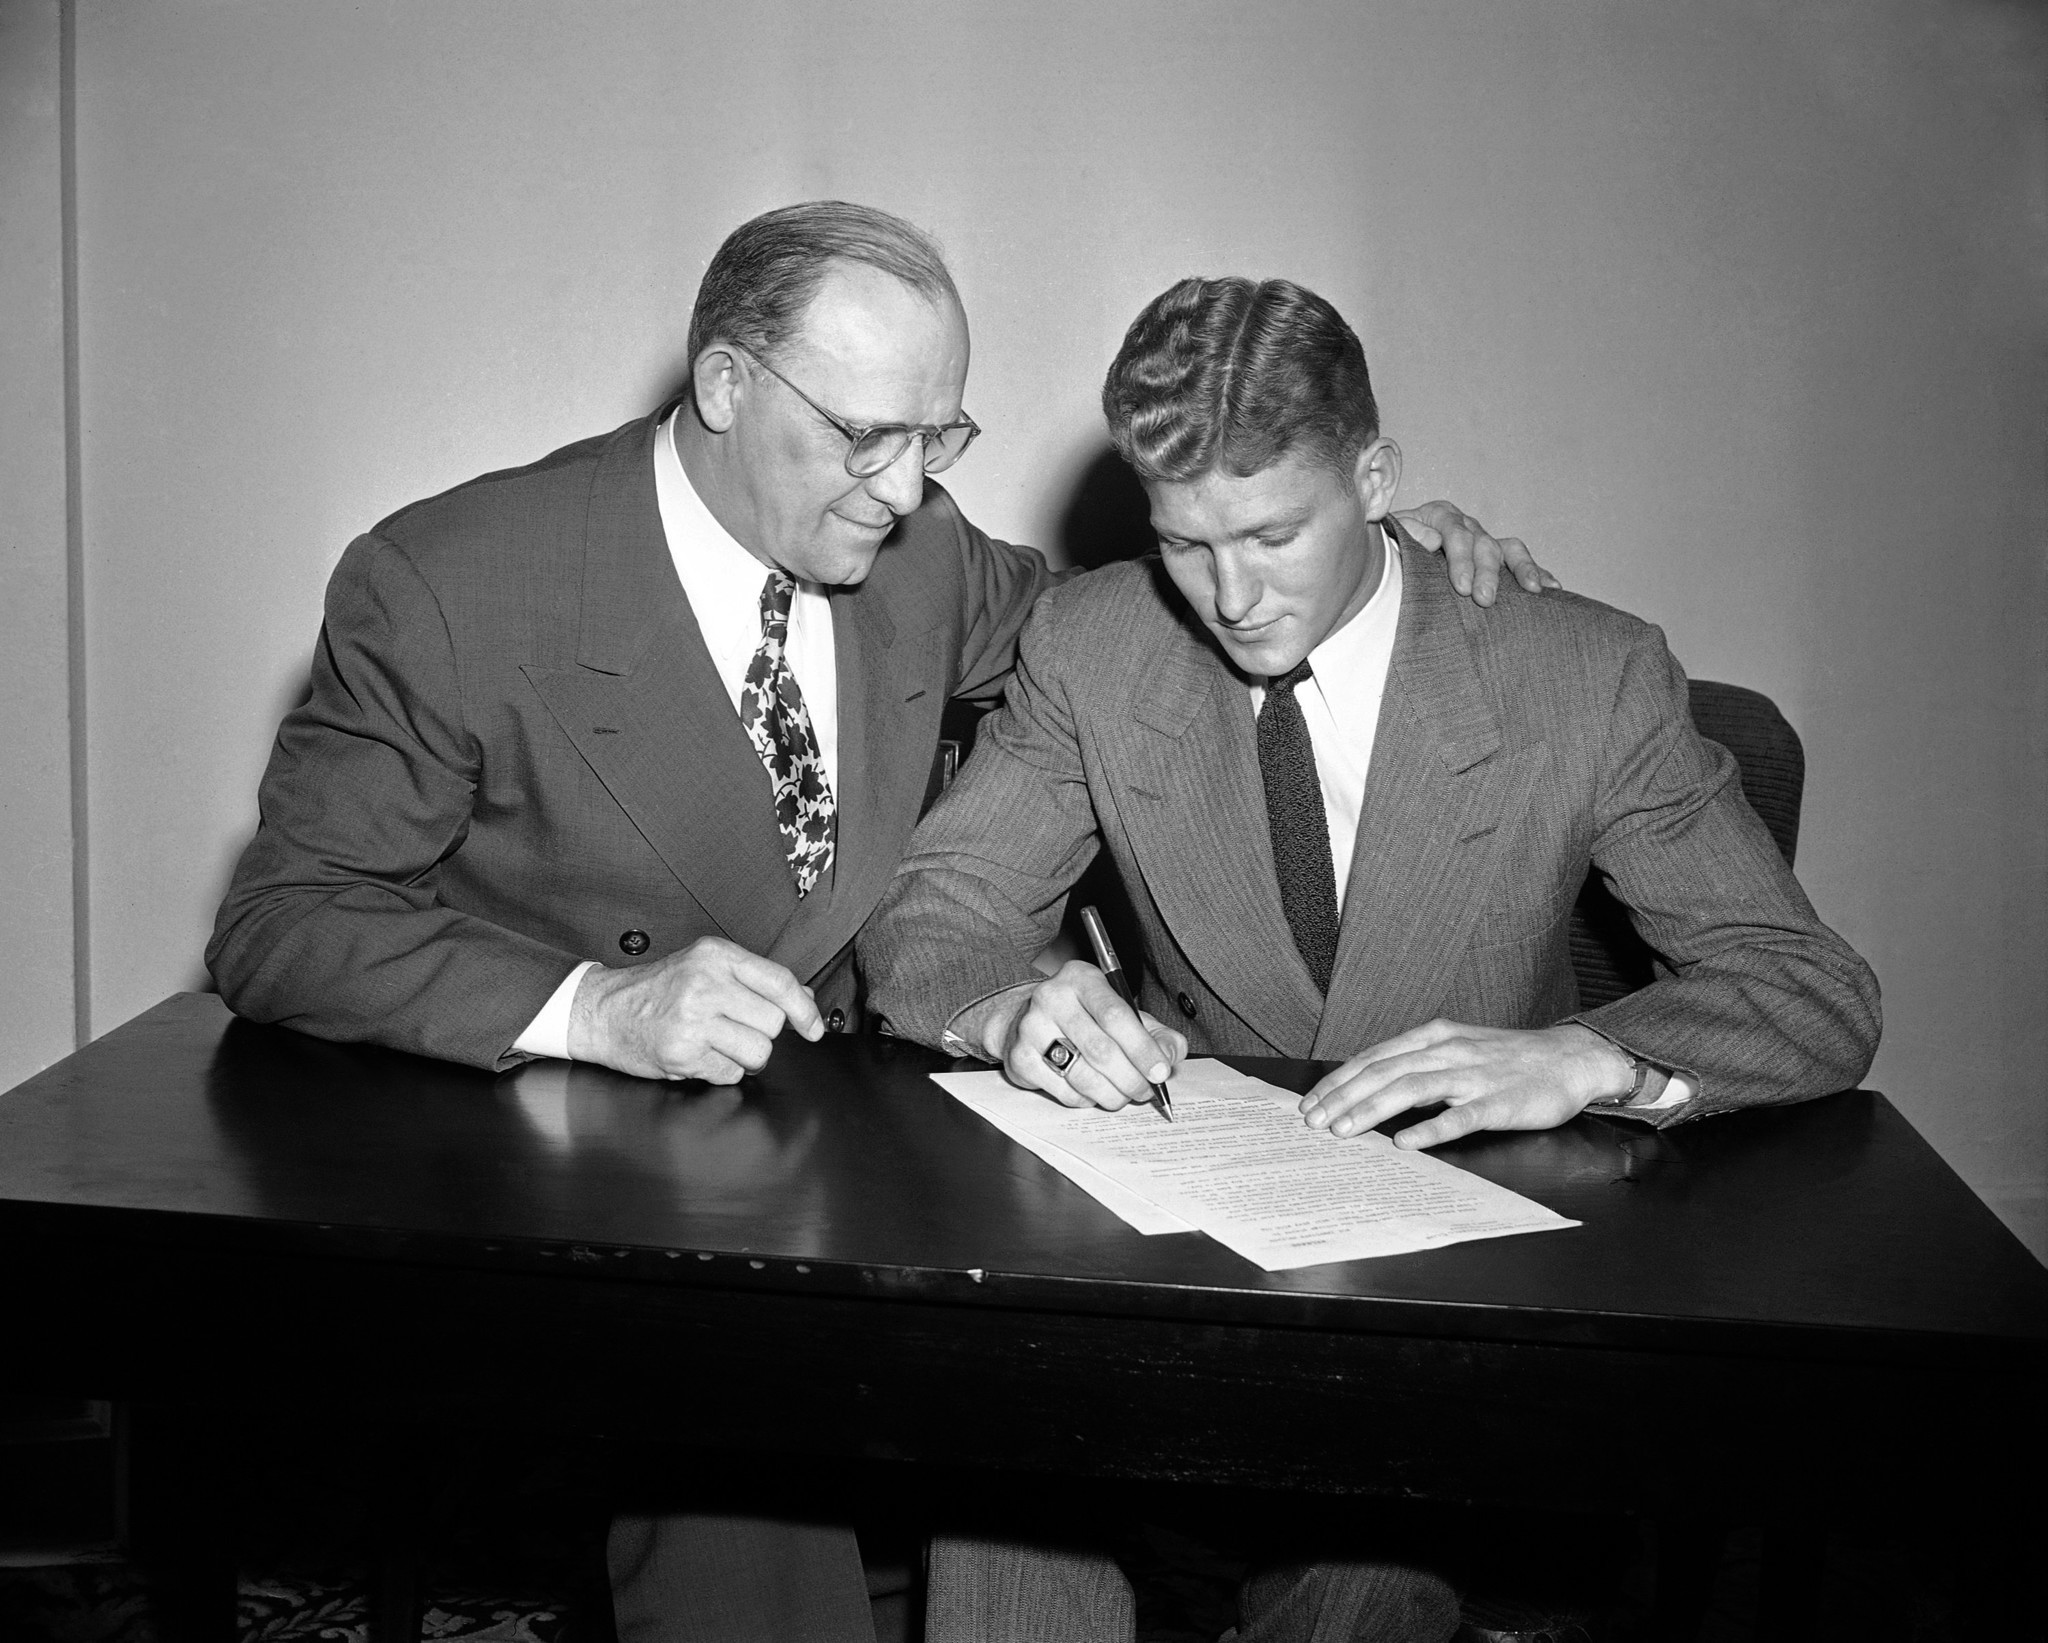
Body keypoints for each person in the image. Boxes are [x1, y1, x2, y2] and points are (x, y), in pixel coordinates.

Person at [205, 205, 1539, 1643]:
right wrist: (595, 1005)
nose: (904, 490)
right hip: (608, 1176)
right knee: (733, 1441)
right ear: (726, 385)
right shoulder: (452, 582)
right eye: (864, 438)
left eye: (936, 438)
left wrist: (1370, 561)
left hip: (881, 1132)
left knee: (1058, 1411)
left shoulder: (923, 550)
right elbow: (285, 918)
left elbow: (1134, 625)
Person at [858, 274, 1881, 1640]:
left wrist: (1589, 1057)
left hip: (1452, 1318)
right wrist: (1005, 1009)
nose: (1230, 596)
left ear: (1379, 482)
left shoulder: (1583, 676)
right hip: (1170, 1277)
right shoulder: (1095, 646)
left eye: (1273, 535)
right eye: (1184, 543)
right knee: (1002, 1498)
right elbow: (937, 907)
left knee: (1372, 1577)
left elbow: (1809, 989)